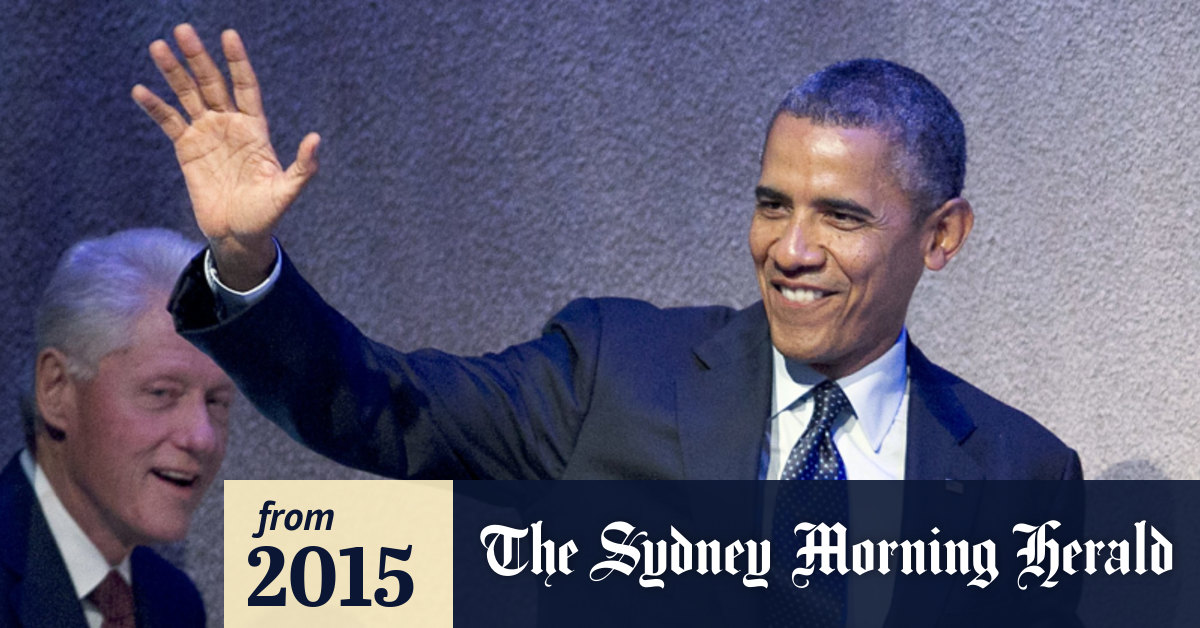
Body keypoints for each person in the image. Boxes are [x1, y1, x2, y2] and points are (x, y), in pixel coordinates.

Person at [131, 25, 1080, 483]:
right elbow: (383, 407)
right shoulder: (612, 372)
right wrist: (246, 260)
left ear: (941, 235)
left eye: (840, 217)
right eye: (771, 205)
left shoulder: (1022, 473)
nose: (790, 249)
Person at [0, 228, 232, 627]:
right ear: (56, 389)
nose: (202, 437)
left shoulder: (175, 603)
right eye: (161, 393)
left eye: (216, 401)